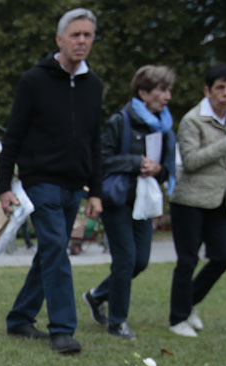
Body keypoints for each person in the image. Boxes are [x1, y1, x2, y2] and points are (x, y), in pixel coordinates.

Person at [0, 8, 104, 355]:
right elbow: (13, 136)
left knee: (49, 251)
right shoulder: (34, 81)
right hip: (39, 180)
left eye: (88, 35)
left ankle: (20, 318)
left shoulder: (94, 86)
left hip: (76, 184)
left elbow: (95, 141)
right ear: (60, 39)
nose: (82, 41)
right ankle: (62, 329)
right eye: (75, 35)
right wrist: (3, 186)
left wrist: (96, 191)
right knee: (57, 248)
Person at [83, 65, 177, 341]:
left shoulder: (166, 128)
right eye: (162, 90)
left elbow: (169, 168)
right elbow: (100, 159)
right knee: (125, 260)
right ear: (143, 92)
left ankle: (97, 295)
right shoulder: (120, 121)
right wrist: (136, 163)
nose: (167, 96)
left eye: (168, 90)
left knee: (140, 261)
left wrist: (159, 170)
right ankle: (117, 322)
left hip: (144, 202)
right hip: (119, 199)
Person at [167, 63, 226, 337]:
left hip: (223, 197)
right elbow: (190, 161)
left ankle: (189, 302)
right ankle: (178, 318)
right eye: (220, 88)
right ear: (208, 90)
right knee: (187, 260)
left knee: (223, 257)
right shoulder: (193, 120)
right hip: (190, 199)